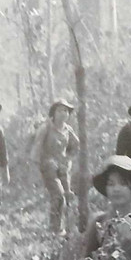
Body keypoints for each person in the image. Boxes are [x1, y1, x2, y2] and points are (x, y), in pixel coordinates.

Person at [32, 99, 79, 234]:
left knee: (68, 197)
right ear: (54, 113)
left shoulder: (68, 130)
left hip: (63, 168)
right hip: (49, 167)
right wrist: (36, 170)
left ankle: (67, 229)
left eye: (66, 111)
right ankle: (54, 229)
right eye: (60, 110)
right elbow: (36, 148)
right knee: (58, 196)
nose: (63, 114)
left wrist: (68, 159)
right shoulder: (45, 128)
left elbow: (76, 146)